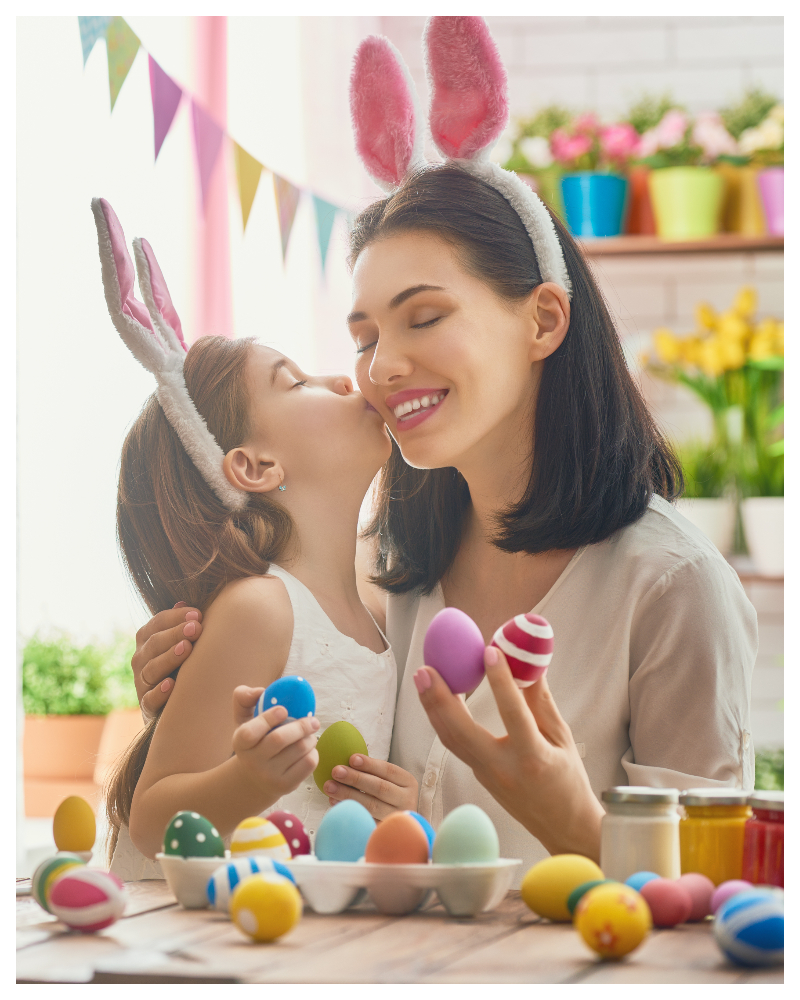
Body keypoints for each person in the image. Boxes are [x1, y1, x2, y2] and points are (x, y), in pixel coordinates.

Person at [128, 19, 757, 878]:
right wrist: (186, 693)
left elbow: (719, 898)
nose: (381, 368)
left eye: (424, 317)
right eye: (364, 336)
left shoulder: (672, 588)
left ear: (543, 319)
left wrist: (572, 819)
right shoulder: (390, 578)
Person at [92, 199, 411, 880]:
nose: (343, 379)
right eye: (296, 382)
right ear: (255, 466)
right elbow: (152, 817)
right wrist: (249, 781)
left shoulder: (380, 614)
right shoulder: (262, 609)